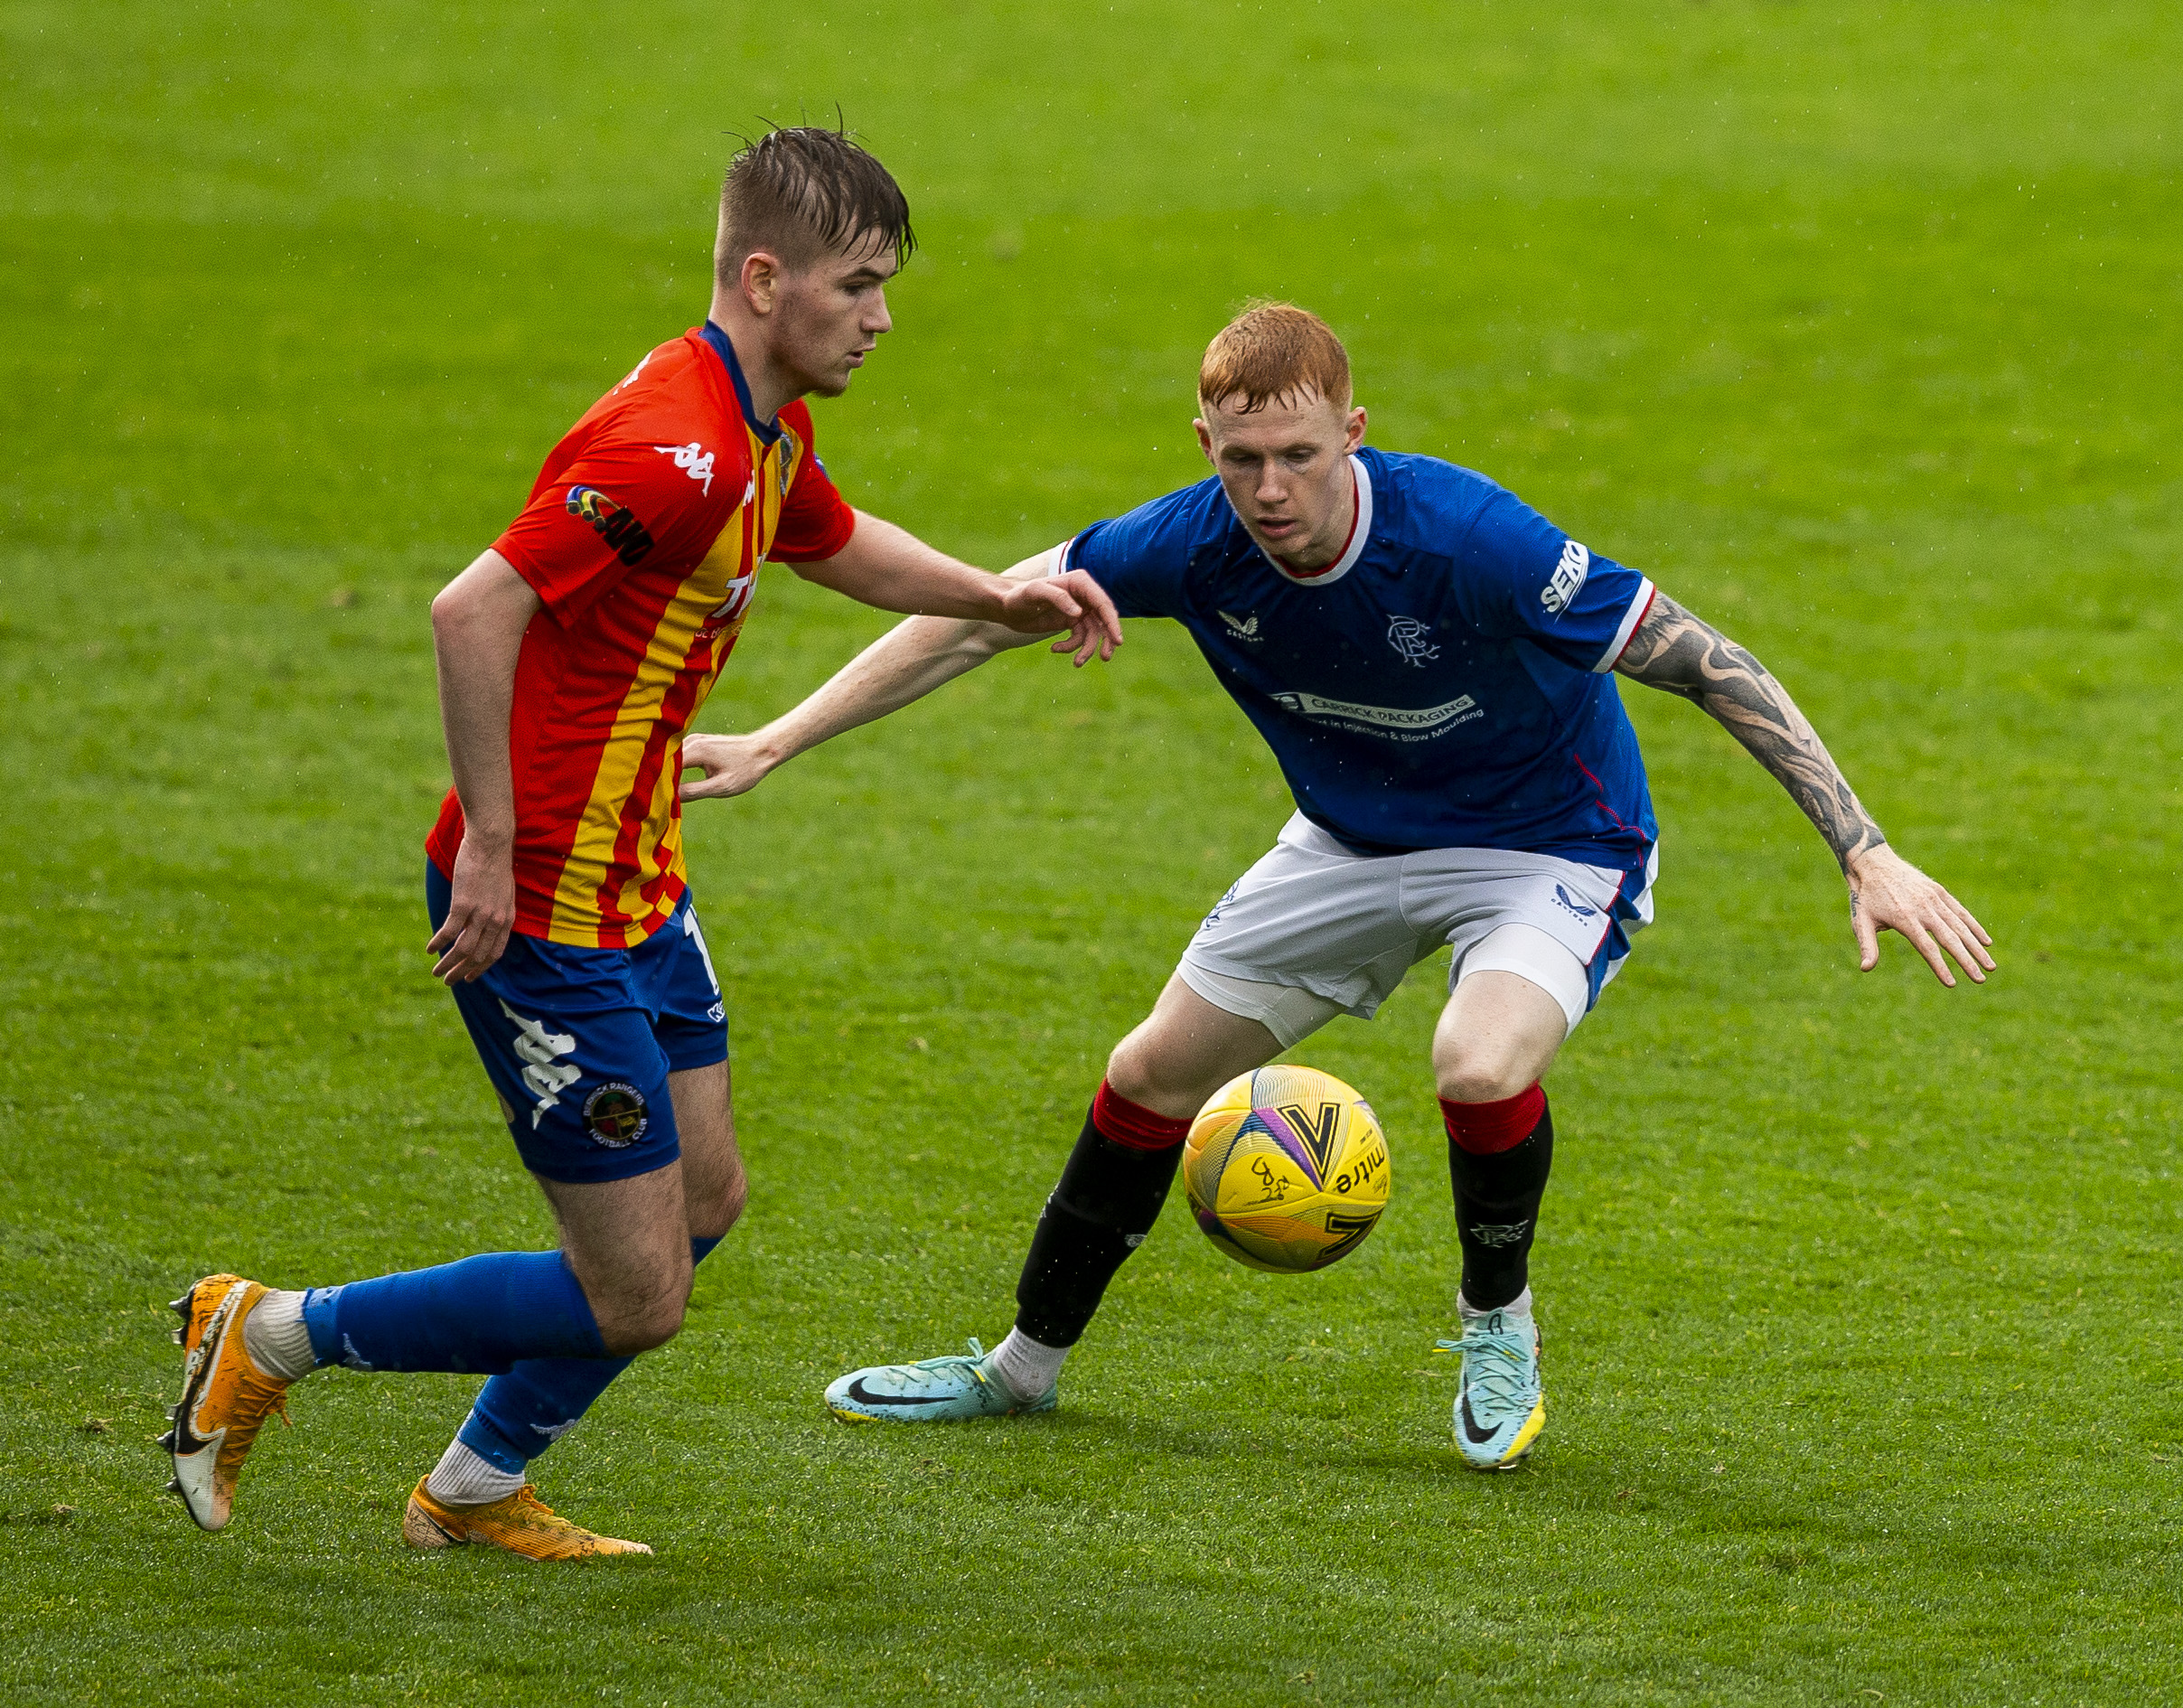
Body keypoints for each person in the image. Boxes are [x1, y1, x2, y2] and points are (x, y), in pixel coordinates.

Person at [684, 301, 1993, 1471]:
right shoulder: (1192, 546)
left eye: (1299, 455)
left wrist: (1862, 844)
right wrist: (777, 739)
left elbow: (1704, 658)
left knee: (1477, 1063)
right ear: (1203, 439)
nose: (1268, 488)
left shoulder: (1469, 538)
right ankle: (1018, 1370)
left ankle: (1497, 1327)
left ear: (1352, 433)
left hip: (1550, 840)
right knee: (1149, 1074)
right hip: (1350, 839)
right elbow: (982, 610)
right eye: (1239, 457)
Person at [159, 126, 1120, 1556]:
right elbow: (471, 610)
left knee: (710, 1194)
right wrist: (488, 842)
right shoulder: (670, 447)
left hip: (639, 884)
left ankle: (473, 1491)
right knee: (637, 1293)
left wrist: (999, 596)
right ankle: (272, 1332)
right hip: (540, 902)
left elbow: (833, 535)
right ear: (762, 274)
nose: (882, 315)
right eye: (857, 285)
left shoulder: (761, 426)